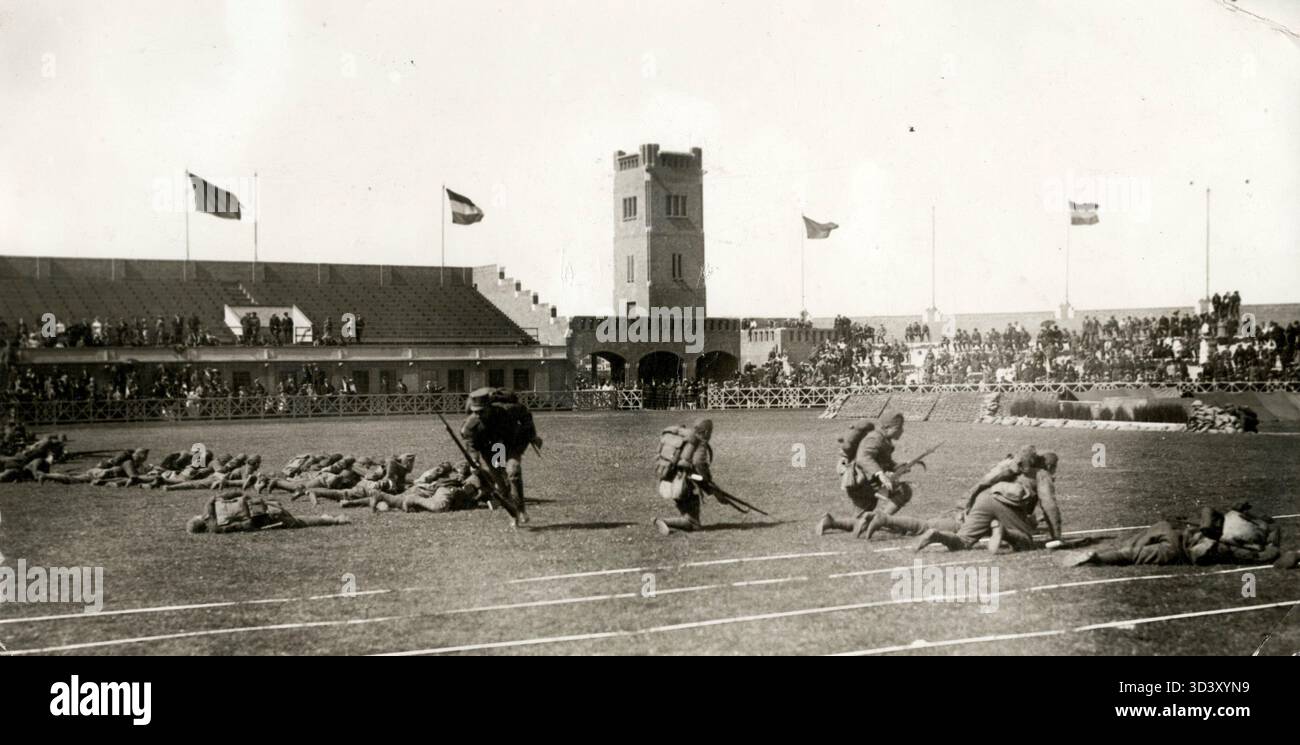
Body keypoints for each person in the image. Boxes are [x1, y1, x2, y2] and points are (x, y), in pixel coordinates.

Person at [916, 451, 1062, 552]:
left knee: (964, 541)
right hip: (1004, 504)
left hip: (984, 498)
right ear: (1050, 467)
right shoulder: (1042, 474)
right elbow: (1049, 504)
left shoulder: (1013, 469)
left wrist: (967, 506)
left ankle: (937, 535)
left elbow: (984, 482)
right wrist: (1056, 536)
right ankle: (1002, 531)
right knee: (1026, 542)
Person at [1060, 502, 1286, 567]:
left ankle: (1102, 554)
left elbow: (1208, 512)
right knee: (1135, 554)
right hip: (1180, 548)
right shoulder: (1249, 547)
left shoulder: (1233, 521)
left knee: (1137, 546)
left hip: (1177, 538)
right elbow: (1278, 557)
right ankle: (1100, 557)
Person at [816, 411, 913, 537]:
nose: (901, 431)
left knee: (861, 520)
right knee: (904, 490)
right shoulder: (875, 438)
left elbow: (884, 462)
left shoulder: (884, 440)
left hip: (864, 483)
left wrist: (900, 467)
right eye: (898, 428)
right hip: (862, 483)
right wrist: (881, 475)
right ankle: (883, 521)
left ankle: (830, 522)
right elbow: (863, 458)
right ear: (887, 427)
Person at [461, 387, 539, 526]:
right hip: (493, 450)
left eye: (481, 411)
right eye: (475, 412)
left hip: (511, 445)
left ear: (489, 407)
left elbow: (525, 415)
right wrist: (474, 458)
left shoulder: (508, 410)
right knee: (503, 486)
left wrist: (532, 435)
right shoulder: (471, 423)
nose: (478, 415)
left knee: (513, 472)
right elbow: (470, 442)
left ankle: (521, 510)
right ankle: (512, 514)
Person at [653, 418, 717, 534]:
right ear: (707, 432)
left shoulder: (684, 438)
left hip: (670, 480)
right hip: (684, 486)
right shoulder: (699, 442)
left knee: (691, 520)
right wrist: (707, 483)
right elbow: (699, 465)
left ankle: (666, 522)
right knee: (694, 524)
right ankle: (664, 521)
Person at [186, 492, 349, 534]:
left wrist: (253, 525)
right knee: (285, 512)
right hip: (256, 504)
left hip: (261, 518)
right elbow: (233, 494)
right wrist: (247, 498)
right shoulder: (211, 502)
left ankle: (333, 520)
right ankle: (327, 519)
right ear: (197, 518)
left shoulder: (215, 527)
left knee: (297, 522)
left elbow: (243, 525)